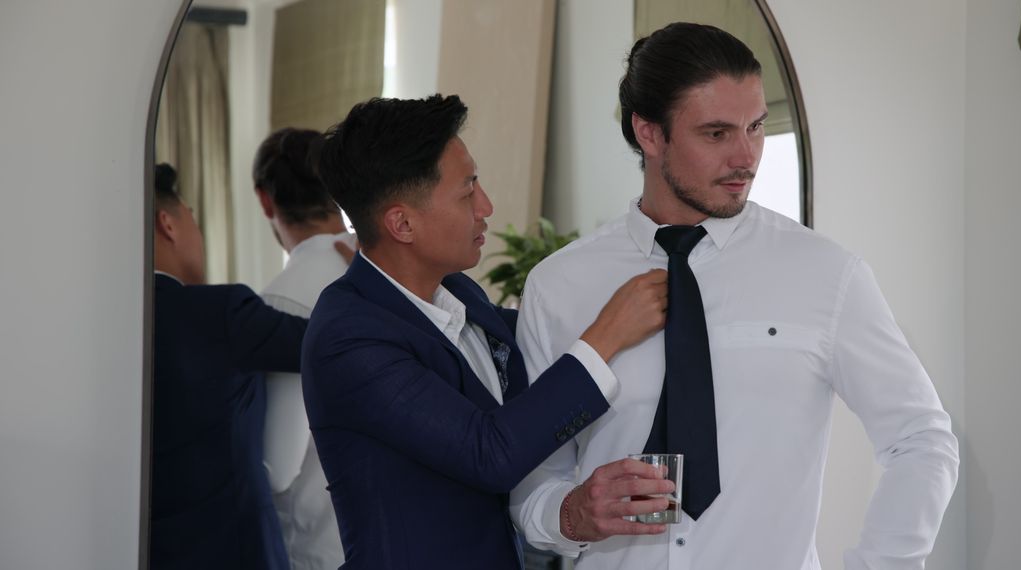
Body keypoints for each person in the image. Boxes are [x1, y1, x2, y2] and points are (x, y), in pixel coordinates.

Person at [509, 22, 960, 570]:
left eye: (756, 127)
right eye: (717, 133)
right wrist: (572, 513)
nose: (746, 157)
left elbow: (921, 438)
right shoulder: (559, 286)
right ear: (649, 133)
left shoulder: (825, 273)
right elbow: (531, 480)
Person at [302, 95, 672, 569]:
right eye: (467, 191)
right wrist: (609, 333)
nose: (486, 206)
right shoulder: (348, 336)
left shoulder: (459, 292)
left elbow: (541, 347)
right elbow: (489, 453)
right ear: (402, 223)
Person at [150, 163, 306, 570]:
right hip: (237, 554)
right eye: (193, 218)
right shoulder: (220, 314)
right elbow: (325, 345)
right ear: (168, 223)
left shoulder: (96, 332)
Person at [252, 127, 352, 570]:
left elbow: (279, 465)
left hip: (322, 546)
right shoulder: (391, 265)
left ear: (265, 201)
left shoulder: (284, 300)